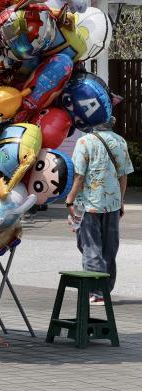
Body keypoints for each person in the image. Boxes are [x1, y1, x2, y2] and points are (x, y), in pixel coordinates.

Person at [66, 120, 134, 304]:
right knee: (109, 248)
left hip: (90, 203)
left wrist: (69, 199)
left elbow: (79, 175)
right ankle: (105, 289)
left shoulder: (84, 142)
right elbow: (123, 174)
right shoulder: (120, 141)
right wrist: (121, 201)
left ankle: (96, 292)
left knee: (90, 247)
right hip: (112, 203)